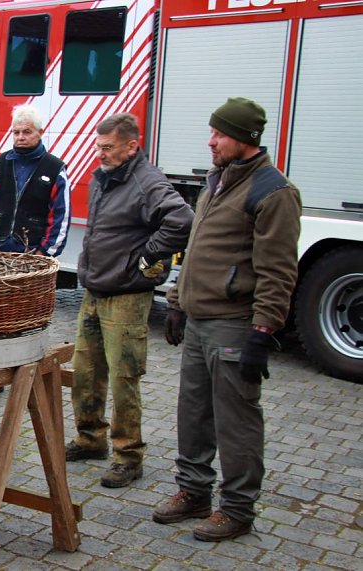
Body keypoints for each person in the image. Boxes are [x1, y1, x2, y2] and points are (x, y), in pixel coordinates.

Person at [152, 97, 301, 541]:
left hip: (234, 324)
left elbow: (278, 272)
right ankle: (193, 491)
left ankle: (237, 509)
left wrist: (263, 331)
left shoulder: (273, 192)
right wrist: (176, 301)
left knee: (236, 420)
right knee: (193, 413)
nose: (211, 141)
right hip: (200, 320)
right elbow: (197, 248)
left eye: (219, 134)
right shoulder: (217, 181)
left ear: (243, 138)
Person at [67, 113, 193, 488]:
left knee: (124, 377)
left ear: (131, 145)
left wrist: (147, 256)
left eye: (108, 147)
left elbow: (182, 221)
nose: (100, 153)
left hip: (126, 296)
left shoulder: (147, 182)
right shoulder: (103, 177)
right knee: (85, 371)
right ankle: (90, 438)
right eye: (98, 146)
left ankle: (128, 456)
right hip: (94, 290)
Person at [0, 104, 70, 256]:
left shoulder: (55, 169)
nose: (20, 137)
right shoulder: (1, 163)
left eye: (27, 132)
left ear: (40, 133)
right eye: (16, 132)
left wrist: (43, 253)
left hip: (32, 253)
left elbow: (60, 216)